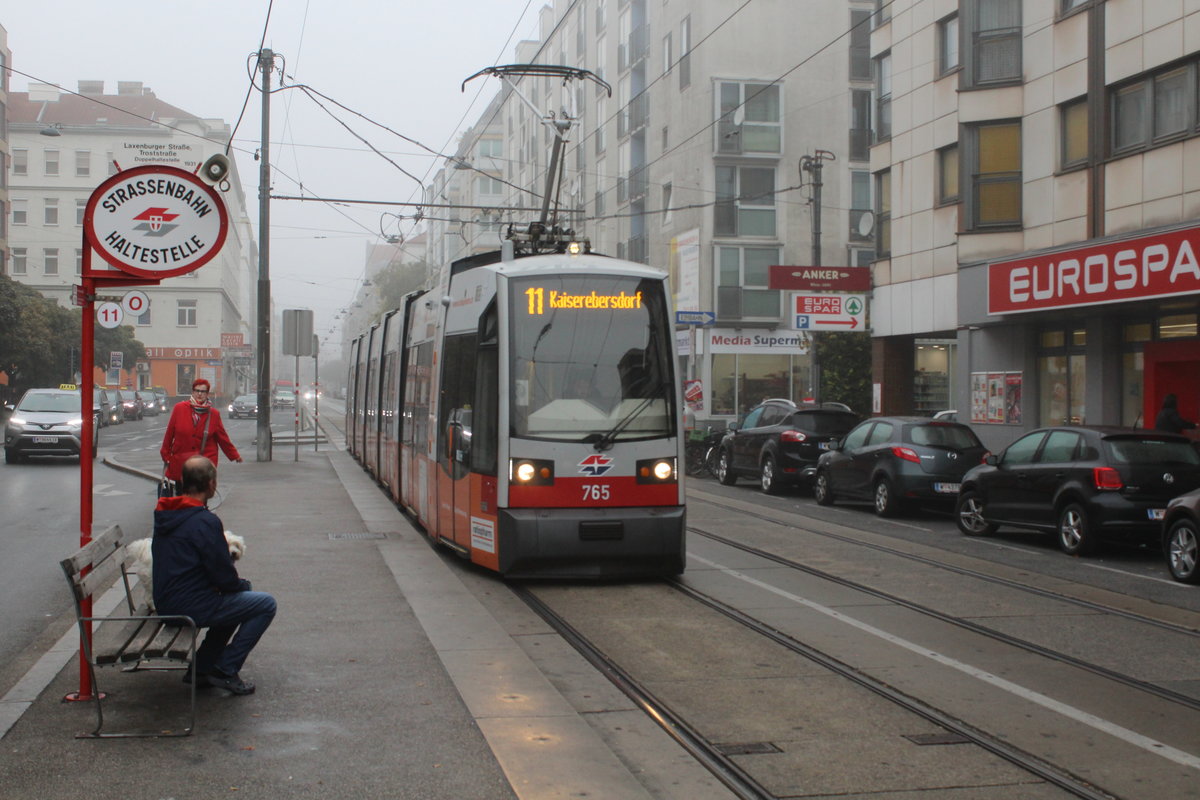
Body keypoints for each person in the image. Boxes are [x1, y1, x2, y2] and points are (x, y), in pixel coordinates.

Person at [153, 455, 276, 694]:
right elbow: (223, 575)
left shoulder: (168, 514)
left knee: (242, 593)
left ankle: (201, 669)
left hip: (167, 600)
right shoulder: (204, 521)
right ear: (211, 484)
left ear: (183, 482)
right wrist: (239, 585)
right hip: (189, 605)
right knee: (265, 604)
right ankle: (225, 668)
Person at [160, 378, 242, 493]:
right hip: (182, 464)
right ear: (192, 392)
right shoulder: (179, 408)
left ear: (207, 394)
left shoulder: (213, 414)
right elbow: (169, 434)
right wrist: (166, 454)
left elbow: (223, 438)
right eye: (197, 390)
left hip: (203, 466)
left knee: (199, 499)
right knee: (181, 498)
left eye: (203, 391)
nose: (199, 394)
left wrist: (234, 455)